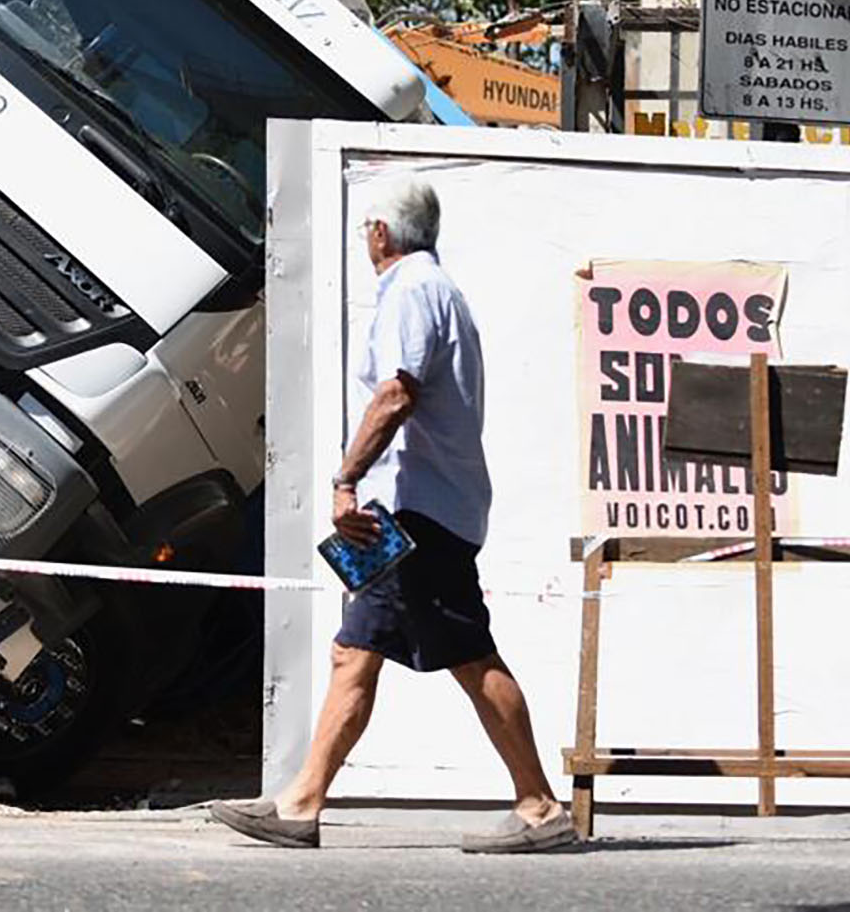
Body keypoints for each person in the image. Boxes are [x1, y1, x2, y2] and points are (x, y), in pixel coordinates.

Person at [210, 176, 577, 853]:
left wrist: (345, 477)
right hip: (420, 510)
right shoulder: (436, 291)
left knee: (457, 653)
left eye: (365, 230)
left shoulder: (412, 291)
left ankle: (539, 805)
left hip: (414, 513)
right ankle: (303, 800)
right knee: (361, 652)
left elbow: (396, 393)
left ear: (381, 230)